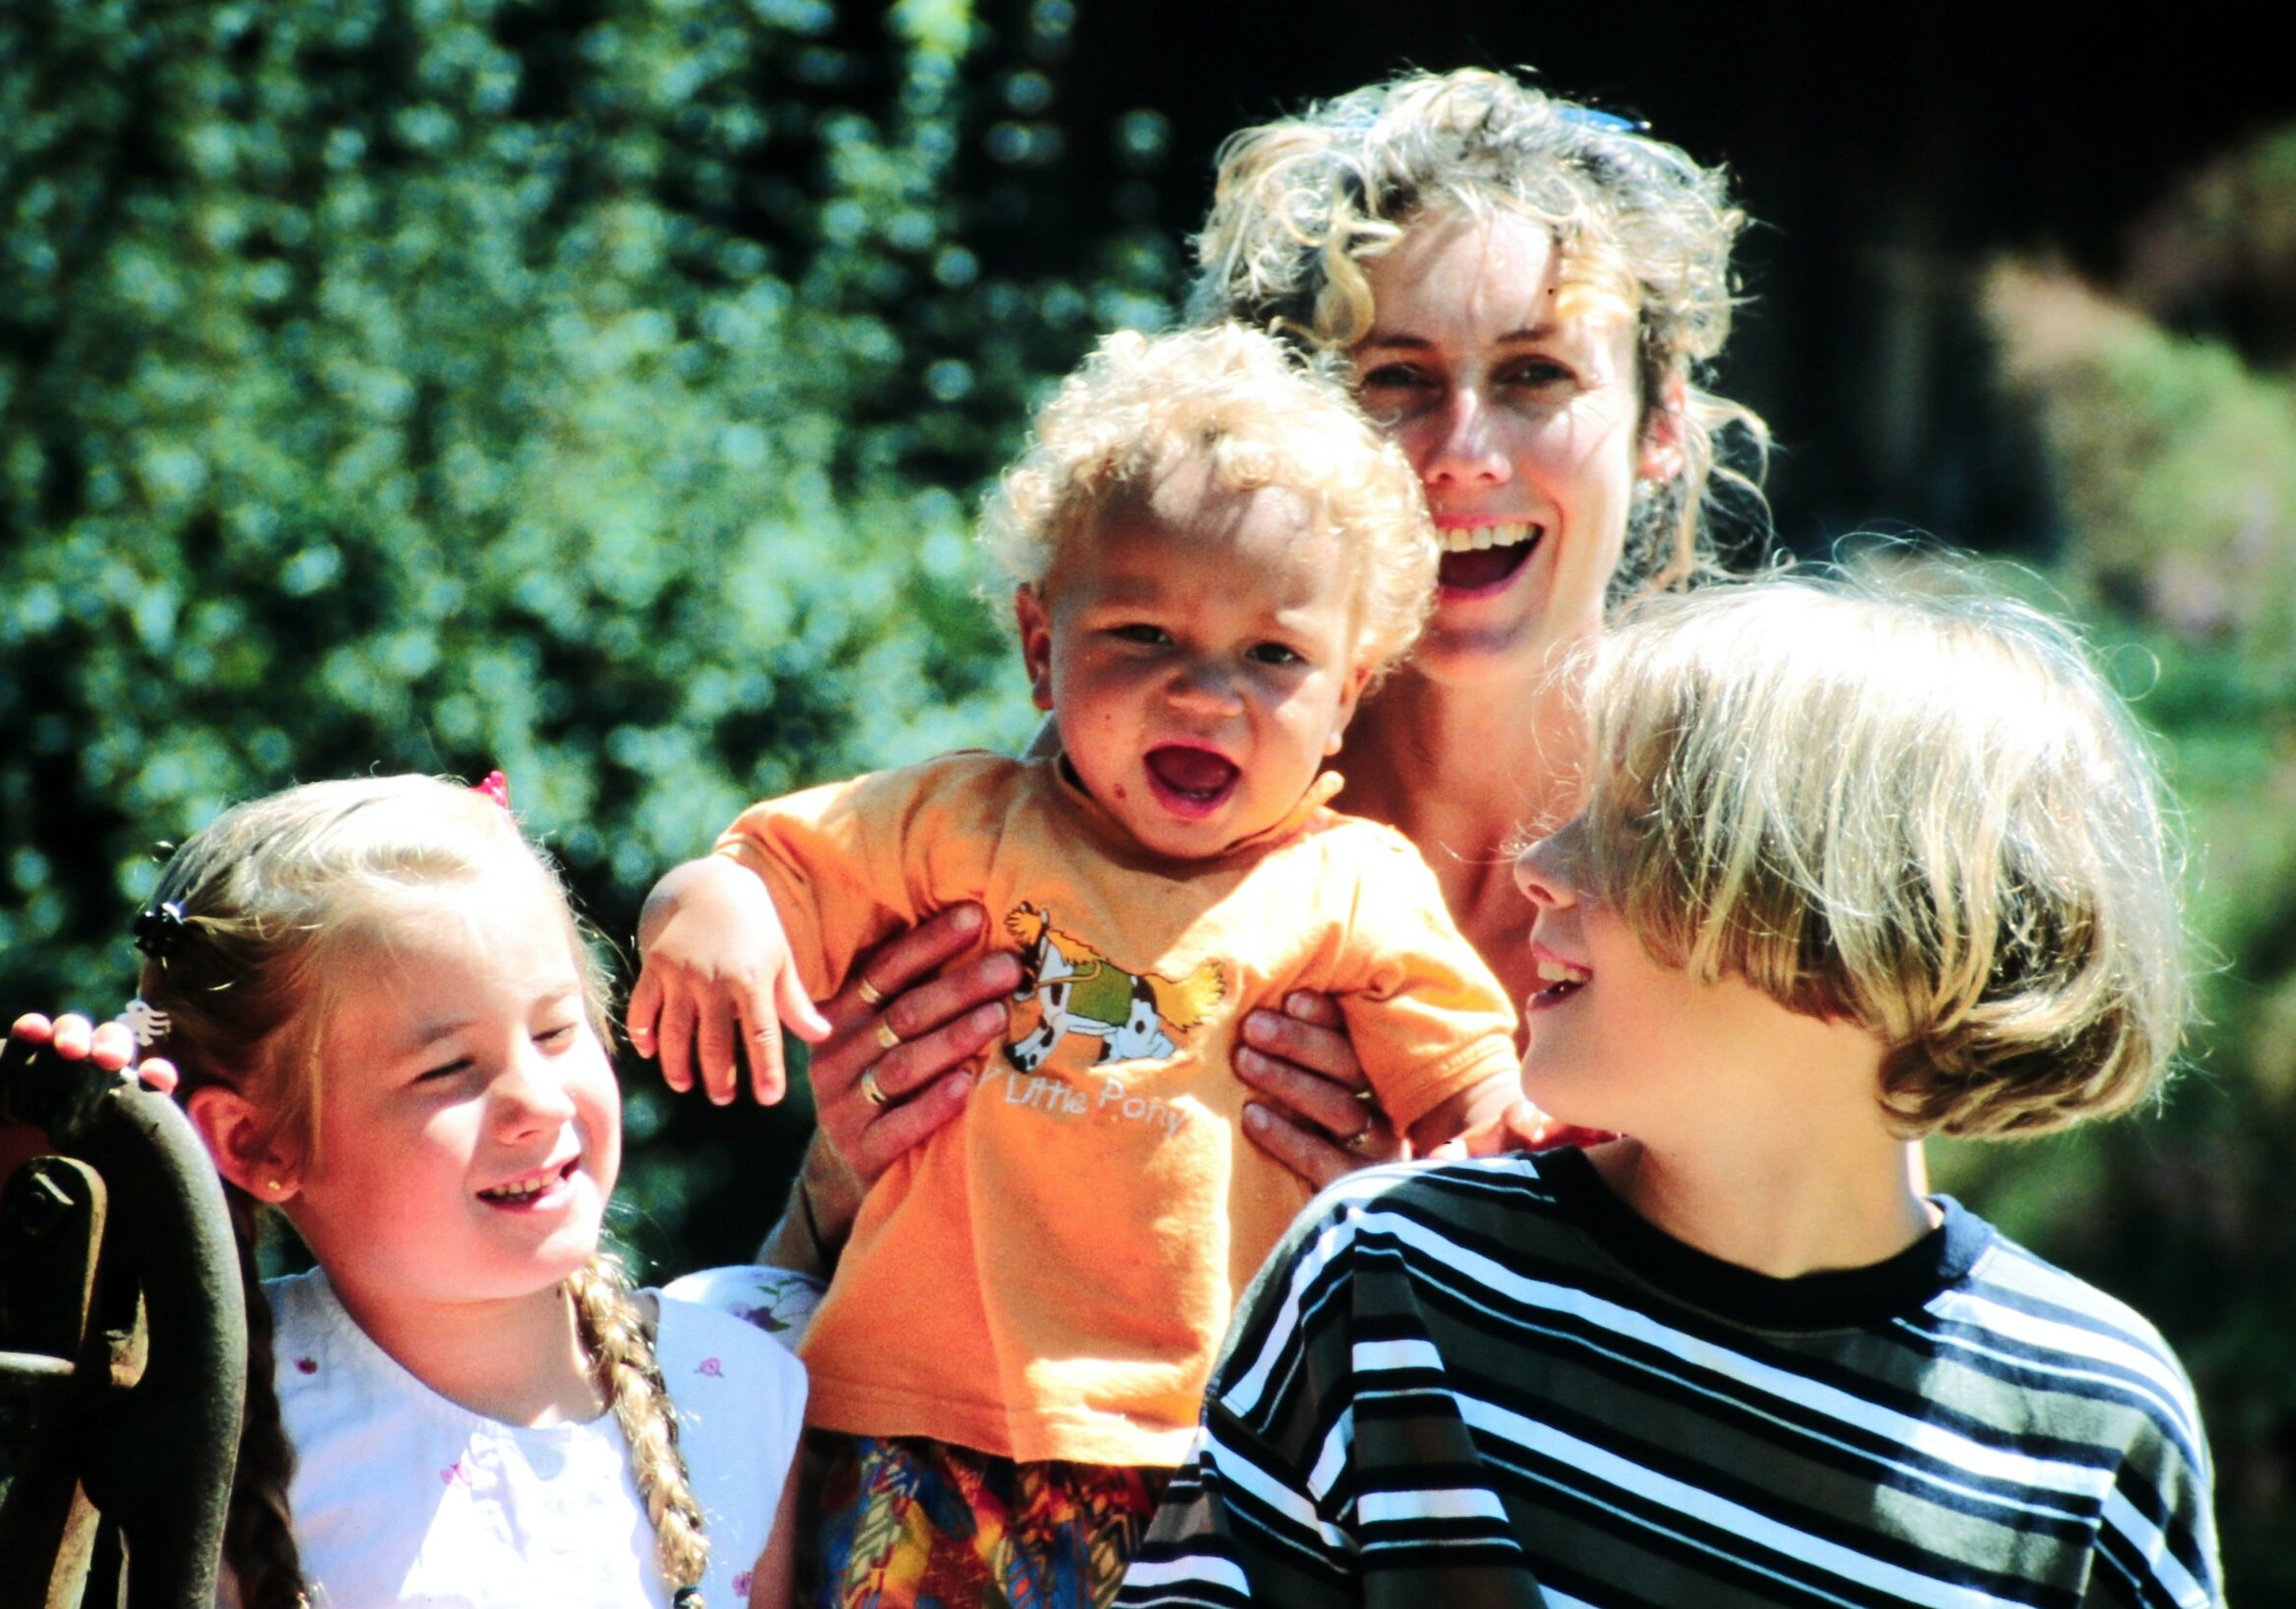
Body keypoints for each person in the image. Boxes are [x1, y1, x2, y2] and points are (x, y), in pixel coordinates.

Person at [756, 66, 1768, 1269]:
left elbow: (1837, 1336)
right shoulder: (1114, 800)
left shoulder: (1747, 854)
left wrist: (1427, 1256)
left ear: (1662, 426)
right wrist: (842, 1170)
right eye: (1392, 379)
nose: (1458, 452)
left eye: (1535, 375)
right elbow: (816, 1299)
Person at [627, 323, 1528, 1608]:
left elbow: (1467, 1094)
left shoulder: (1352, 886)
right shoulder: (960, 824)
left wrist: (1508, 1135)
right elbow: (768, 866)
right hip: (914, 1428)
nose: (1204, 695)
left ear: (1350, 691)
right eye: (1142, 634)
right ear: (1039, 644)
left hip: (1217, 1456)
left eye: (1274, 657)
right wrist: (705, 903)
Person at [1114, 569, 2224, 1607]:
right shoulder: (1383, 1284)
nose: (1541, 862)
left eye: (1640, 825)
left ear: (1865, 931)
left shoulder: (2093, 1425)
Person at [0, 774, 807, 1609]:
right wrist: (21, 1157)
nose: (536, 1102)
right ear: (257, 1142)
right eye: (447, 1070)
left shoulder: (745, 1387)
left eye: (553, 1031)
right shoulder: (192, 1414)